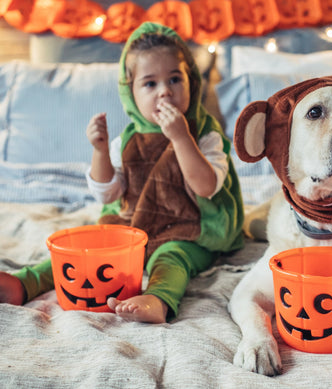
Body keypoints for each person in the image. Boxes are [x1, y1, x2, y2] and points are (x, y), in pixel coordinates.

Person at [0, 22, 244, 324]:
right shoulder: (128, 140)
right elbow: (108, 193)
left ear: (192, 82)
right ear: (130, 94)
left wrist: (182, 139)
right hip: (134, 228)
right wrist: (100, 151)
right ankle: (24, 283)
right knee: (85, 253)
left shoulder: (205, 134)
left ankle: (159, 299)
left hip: (188, 231)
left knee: (171, 258)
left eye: (174, 79)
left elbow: (206, 187)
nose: (165, 92)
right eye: (150, 84)